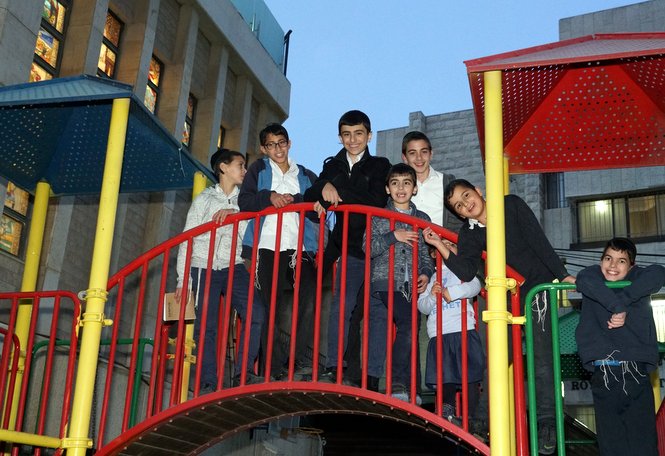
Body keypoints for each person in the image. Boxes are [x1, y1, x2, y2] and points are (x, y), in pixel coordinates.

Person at [423, 179, 575, 455]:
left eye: (466, 196)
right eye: (459, 205)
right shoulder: (469, 234)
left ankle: (546, 424)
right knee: (495, 359)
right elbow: (467, 271)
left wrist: (562, 275)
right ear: (459, 213)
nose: (466, 204)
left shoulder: (511, 205)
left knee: (542, 360)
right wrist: (441, 246)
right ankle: (482, 421)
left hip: (535, 292)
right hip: (504, 297)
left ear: (479, 191)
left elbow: (538, 241)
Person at [304, 110, 391, 387]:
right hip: (350, 248)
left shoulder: (379, 164)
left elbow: (376, 201)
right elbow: (310, 195)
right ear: (340, 137)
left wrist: (335, 193)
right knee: (342, 306)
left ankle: (373, 375)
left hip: (378, 247)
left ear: (368, 135)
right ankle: (333, 367)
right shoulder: (333, 165)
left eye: (358, 134)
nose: (352, 140)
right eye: (346, 134)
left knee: (377, 312)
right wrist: (324, 186)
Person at [175, 148, 265, 390]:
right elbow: (187, 239)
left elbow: (256, 214)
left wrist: (235, 211)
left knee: (256, 312)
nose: (245, 171)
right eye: (240, 165)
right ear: (223, 168)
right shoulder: (204, 200)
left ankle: (243, 372)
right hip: (202, 266)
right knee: (207, 326)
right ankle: (207, 381)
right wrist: (183, 281)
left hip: (232, 265)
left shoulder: (244, 200)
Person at [238, 123, 319, 381]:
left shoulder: (305, 175)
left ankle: (297, 361)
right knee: (269, 308)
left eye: (281, 143)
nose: (278, 149)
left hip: (300, 247)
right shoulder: (258, 170)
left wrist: (299, 202)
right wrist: (269, 196)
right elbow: (245, 202)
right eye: (271, 145)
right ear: (264, 148)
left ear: (289, 143)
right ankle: (271, 369)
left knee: (305, 304)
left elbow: (319, 213)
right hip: (267, 247)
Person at [575, 237, 665, 456]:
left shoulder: (638, 280)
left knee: (643, 442)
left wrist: (622, 302)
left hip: (634, 372)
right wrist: (616, 307)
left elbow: (659, 272)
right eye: (608, 258)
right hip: (604, 372)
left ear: (631, 266)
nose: (613, 265)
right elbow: (583, 278)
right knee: (611, 444)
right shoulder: (592, 278)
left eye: (621, 261)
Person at [363, 163, 433, 404]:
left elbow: (426, 254)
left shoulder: (422, 218)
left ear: (414, 188)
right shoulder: (379, 216)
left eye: (406, 183)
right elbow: (368, 248)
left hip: (411, 285)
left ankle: (412, 388)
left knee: (412, 329)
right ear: (387, 188)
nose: (401, 188)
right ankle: (398, 383)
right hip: (386, 281)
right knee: (409, 325)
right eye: (395, 183)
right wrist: (395, 236)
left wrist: (425, 272)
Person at [418, 243, 484, 423]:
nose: (446, 246)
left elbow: (476, 285)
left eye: (451, 244)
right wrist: (432, 296)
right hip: (439, 332)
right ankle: (447, 410)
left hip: (463, 328)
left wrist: (452, 292)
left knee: (469, 375)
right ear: (433, 253)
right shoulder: (430, 277)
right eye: (441, 245)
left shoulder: (464, 270)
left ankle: (471, 416)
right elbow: (422, 307)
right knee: (444, 374)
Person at [401, 131, 461, 232]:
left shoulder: (447, 182)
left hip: (442, 245)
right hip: (411, 246)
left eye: (424, 152)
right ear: (404, 158)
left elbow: (459, 218)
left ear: (431, 154)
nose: (419, 158)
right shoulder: (398, 188)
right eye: (412, 153)